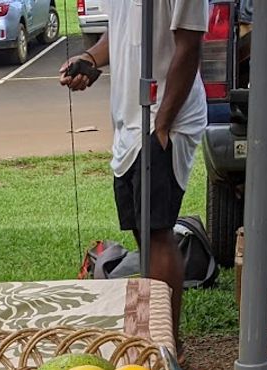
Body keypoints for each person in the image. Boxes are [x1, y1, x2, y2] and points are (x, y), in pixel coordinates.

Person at [61, 0, 207, 337]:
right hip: (130, 122)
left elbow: (189, 47)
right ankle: (150, 333)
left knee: (157, 231)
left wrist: (162, 125)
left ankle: (164, 343)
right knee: (142, 231)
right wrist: (90, 59)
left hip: (166, 119)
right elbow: (123, 32)